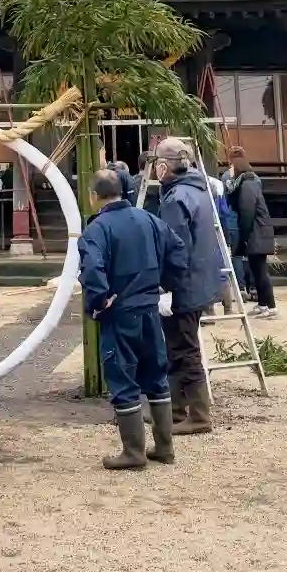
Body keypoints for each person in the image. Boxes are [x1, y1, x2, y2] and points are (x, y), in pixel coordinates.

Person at [78, 168, 188, 470]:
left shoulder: (96, 229)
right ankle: (164, 447)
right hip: (149, 308)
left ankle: (133, 452)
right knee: (156, 376)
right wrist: (166, 283)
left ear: (93, 196)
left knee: (122, 377)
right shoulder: (149, 219)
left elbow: (92, 269)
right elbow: (178, 249)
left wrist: (99, 301)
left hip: (120, 312)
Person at [154, 138, 224, 435]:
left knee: (184, 349)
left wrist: (166, 287)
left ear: (163, 166)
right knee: (177, 347)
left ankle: (198, 415)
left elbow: (174, 248)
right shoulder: (199, 190)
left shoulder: (176, 199)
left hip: (183, 285)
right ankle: (174, 410)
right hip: (200, 280)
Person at [224, 147, 278, 318]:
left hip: (257, 231)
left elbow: (247, 212)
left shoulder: (248, 184)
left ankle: (271, 306)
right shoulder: (247, 181)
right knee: (256, 268)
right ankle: (262, 304)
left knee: (261, 271)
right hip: (257, 231)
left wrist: (245, 236)